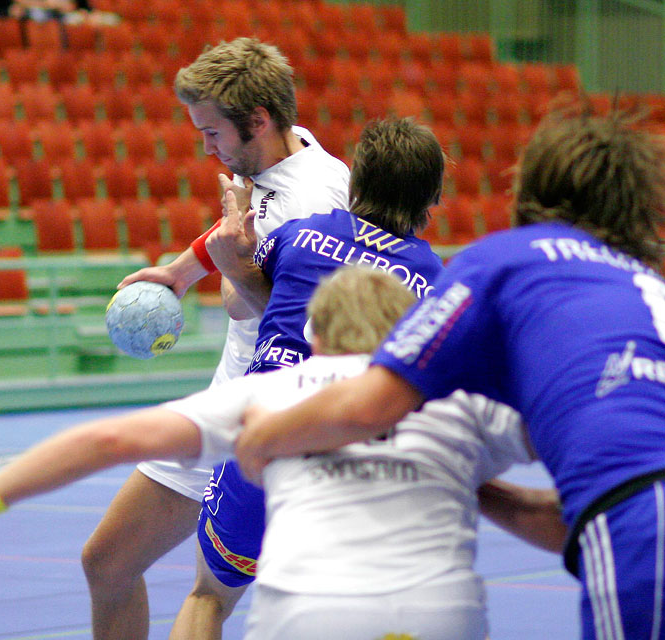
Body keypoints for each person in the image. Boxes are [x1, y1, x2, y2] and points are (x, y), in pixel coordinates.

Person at [238, 100, 665, 639]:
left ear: (529, 190)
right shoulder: (646, 288)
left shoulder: (504, 260)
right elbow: (577, 520)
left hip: (640, 515)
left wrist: (262, 438)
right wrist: (472, 482)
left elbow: (372, 404)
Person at [0, 266, 559, 639]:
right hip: (441, 612)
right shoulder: (458, 401)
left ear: (315, 337)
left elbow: (106, 441)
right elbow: (589, 432)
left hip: (310, 613)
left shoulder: (269, 395)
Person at [80, 37, 350, 640]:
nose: (205, 147)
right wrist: (180, 272)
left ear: (257, 121)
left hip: (265, 419)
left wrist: (230, 270)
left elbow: (267, 308)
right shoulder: (291, 150)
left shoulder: (315, 201)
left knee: (210, 598)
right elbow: (238, 228)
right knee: (108, 562)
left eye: (210, 132)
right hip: (222, 405)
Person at [187, 115, 446, 631]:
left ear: (357, 181)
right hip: (354, 470)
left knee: (208, 598)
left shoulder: (302, 236)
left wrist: (234, 260)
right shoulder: (434, 280)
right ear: (431, 198)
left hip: (264, 439)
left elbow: (239, 304)